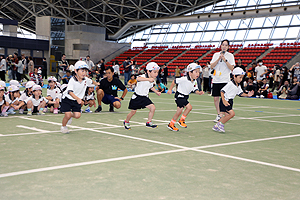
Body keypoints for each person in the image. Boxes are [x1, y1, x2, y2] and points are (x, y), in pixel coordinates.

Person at [60, 61, 99, 134]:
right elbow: (70, 92)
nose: (84, 73)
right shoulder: (72, 80)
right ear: (75, 71)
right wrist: (77, 98)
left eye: (86, 71)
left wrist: (98, 84)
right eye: (82, 70)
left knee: (77, 116)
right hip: (67, 99)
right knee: (67, 114)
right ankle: (64, 126)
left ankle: (70, 116)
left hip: (76, 100)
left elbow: (92, 82)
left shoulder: (86, 80)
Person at [212, 67, 254, 133]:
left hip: (230, 101)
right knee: (232, 114)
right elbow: (222, 91)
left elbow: (240, 93)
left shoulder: (238, 85)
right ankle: (220, 125)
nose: (241, 79)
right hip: (225, 101)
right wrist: (223, 100)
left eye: (242, 77)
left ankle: (217, 126)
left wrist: (247, 95)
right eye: (240, 77)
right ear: (234, 76)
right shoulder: (230, 84)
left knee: (227, 115)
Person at [123, 62, 161, 130]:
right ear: (148, 71)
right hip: (137, 97)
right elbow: (138, 79)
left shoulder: (152, 79)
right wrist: (148, 79)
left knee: (153, 108)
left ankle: (149, 122)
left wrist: (156, 92)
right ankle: (126, 121)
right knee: (133, 112)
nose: (156, 74)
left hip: (145, 97)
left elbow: (151, 87)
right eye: (154, 72)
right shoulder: (143, 76)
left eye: (157, 72)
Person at [167, 63, 204, 131]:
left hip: (185, 96)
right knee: (189, 107)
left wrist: (199, 93)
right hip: (179, 96)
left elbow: (195, 90)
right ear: (190, 73)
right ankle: (181, 120)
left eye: (198, 72)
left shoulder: (194, 81)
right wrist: (170, 89)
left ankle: (171, 124)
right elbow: (174, 81)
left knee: (179, 112)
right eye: (196, 72)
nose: (198, 73)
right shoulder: (184, 79)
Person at [210, 39, 235, 123]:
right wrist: (218, 59)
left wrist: (225, 60)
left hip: (225, 80)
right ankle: (219, 114)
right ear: (220, 45)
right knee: (216, 98)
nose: (224, 46)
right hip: (216, 79)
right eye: (223, 45)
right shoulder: (216, 54)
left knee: (223, 98)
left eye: (226, 45)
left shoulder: (230, 56)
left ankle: (223, 113)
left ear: (228, 47)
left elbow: (231, 68)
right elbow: (211, 66)